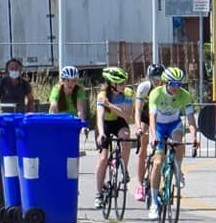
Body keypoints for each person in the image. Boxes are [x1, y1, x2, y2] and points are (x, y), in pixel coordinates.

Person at [147, 66, 199, 220]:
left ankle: (177, 169)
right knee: (157, 163)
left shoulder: (185, 95)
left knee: (179, 143)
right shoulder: (156, 93)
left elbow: (190, 118)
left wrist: (194, 136)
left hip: (174, 125)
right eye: (174, 84)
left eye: (179, 84)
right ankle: (154, 204)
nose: (177, 87)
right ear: (165, 83)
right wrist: (152, 136)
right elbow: (152, 117)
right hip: (159, 127)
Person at [93, 66, 134, 209]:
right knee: (103, 158)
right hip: (104, 124)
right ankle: (98, 194)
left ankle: (123, 168)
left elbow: (127, 116)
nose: (124, 86)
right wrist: (101, 133)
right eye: (121, 83)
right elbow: (100, 116)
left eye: (124, 83)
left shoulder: (127, 93)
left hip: (119, 122)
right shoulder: (102, 95)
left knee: (126, 138)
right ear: (112, 84)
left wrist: (110, 105)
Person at [133, 63, 164, 202]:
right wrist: (138, 127)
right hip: (146, 117)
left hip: (160, 117)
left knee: (160, 150)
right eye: (155, 78)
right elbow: (138, 110)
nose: (158, 81)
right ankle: (139, 185)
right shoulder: (144, 87)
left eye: (160, 78)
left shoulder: (166, 87)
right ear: (150, 78)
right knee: (142, 149)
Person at [48, 66, 90, 134]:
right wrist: (56, 124)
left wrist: (82, 125)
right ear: (62, 81)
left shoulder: (79, 90)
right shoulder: (56, 89)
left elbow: (80, 110)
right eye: (67, 80)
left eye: (73, 80)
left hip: (72, 122)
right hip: (58, 121)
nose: (71, 83)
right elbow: (53, 107)